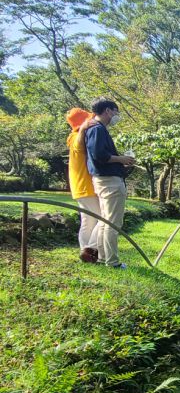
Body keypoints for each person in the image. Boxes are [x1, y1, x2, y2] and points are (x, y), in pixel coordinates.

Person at [85, 98, 135, 269]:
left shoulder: (96, 128)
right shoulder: (97, 129)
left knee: (105, 221)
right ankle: (112, 262)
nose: (116, 116)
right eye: (115, 112)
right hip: (109, 182)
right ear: (107, 110)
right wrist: (122, 159)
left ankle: (102, 258)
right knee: (113, 223)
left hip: (103, 180)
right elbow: (100, 155)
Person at [66, 108, 101, 263]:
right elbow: (78, 145)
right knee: (102, 218)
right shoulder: (75, 136)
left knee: (88, 221)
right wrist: (84, 127)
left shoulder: (81, 135)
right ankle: (89, 250)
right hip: (84, 186)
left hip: (82, 186)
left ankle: (85, 251)